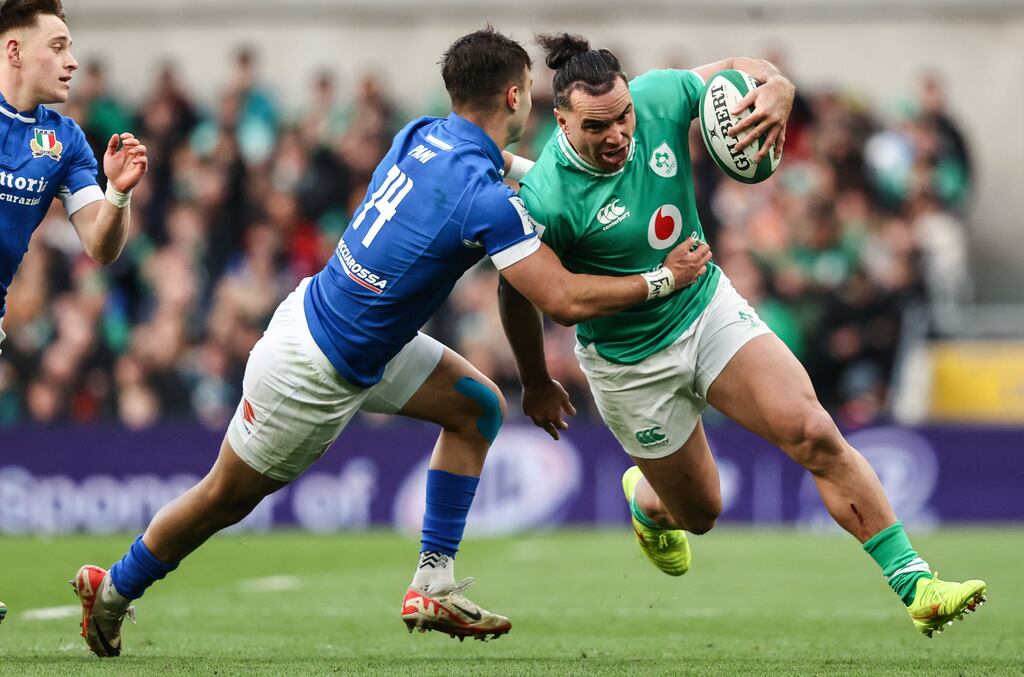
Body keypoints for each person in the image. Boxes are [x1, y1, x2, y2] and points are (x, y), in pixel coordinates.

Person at [72, 27, 713, 657]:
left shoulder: (422, 133)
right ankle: (114, 588)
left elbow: (511, 173)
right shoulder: (485, 199)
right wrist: (663, 278)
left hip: (353, 330)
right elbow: (563, 300)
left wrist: (576, 174)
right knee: (223, 498)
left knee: (477, 408)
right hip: (313, 368)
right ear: (516, 96)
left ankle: (433, 582)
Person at [498, 33, 986, 638]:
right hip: (629, 363)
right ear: (562, 120)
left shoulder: (658, 95)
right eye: (597, 126)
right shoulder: (547, 196)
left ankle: (917, 586)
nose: (618, 134)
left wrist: (776, 85)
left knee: (812, 431)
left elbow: (735, 67)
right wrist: (537, 379)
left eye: (623, 116)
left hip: (705, 308)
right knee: (700, 513)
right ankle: (648, 501)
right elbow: (547, 298)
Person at [0, 0, 147, 356]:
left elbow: (100, 246)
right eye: (57, 47)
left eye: (69, 48)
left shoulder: (66, 141)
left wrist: (117, 192)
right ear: (15, 52)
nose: (72, 61)